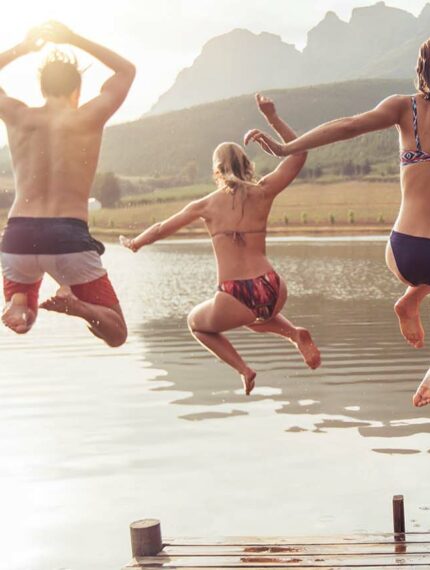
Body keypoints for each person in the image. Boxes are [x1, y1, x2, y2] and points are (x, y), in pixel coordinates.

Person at [245, 36, 430, 407]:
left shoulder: (404, 108)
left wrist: (288, 147)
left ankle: (410, 297)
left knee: (421, 275)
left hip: (403, 249)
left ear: (421, 69)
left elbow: (349, 125)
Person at [120, 94, 321, 395]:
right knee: (253, 317)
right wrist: (272, 118)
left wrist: (135, 242)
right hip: (272, 286)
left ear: (216, 171)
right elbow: (299, 154)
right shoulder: (263, 191)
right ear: (248, 166)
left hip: (234, 294)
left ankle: (245, 369)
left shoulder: (204, 205)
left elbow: (162, 228)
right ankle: (293, 333)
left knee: (197, 323)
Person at [0, 22, 135, 346]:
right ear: (77, 90)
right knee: (116, 333)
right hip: (66, 238)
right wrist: (73, 38)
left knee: (24, 307)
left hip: (17, 237)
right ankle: (77, 306)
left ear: (42, 88)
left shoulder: (18, 115)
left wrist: (22, 48)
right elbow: (126, 71)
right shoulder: (88, 116)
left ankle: (19, 305)